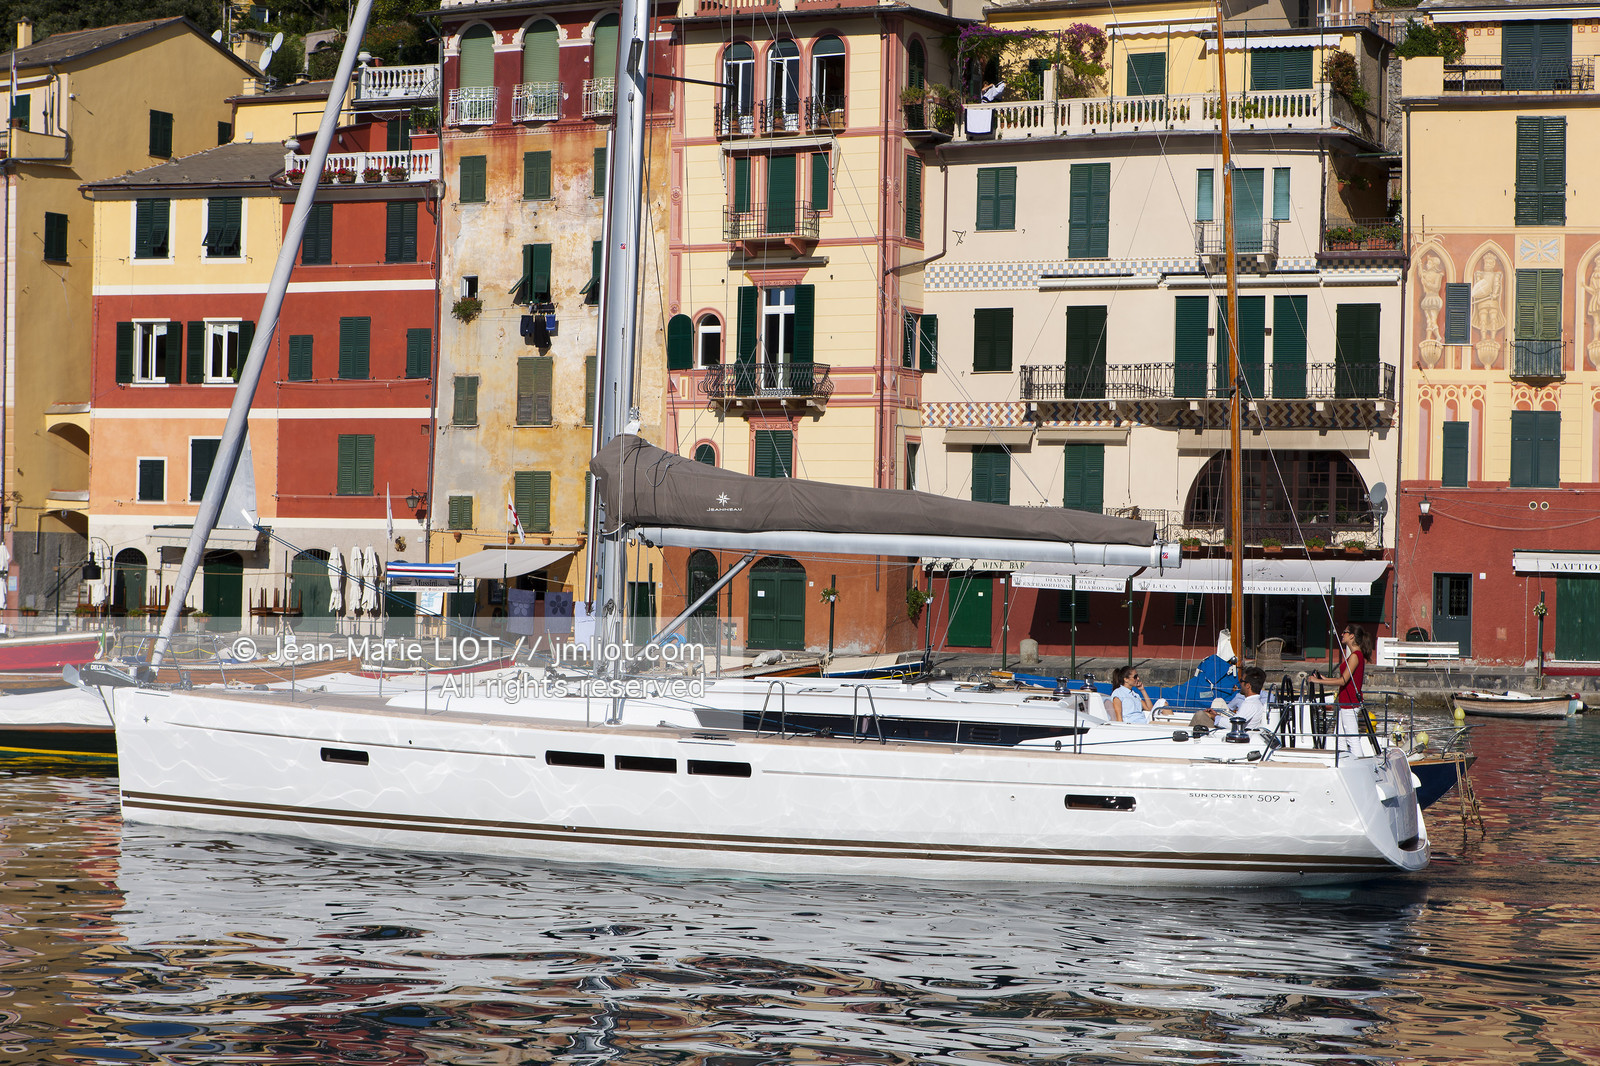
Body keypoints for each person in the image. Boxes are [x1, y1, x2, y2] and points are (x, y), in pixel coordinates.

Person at [1312, 624, 1371, 752]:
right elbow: (1345, 680)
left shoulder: (1355, 656)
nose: (1342, 634)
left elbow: (1343, 680)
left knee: (1351, 738)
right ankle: (1344, 761)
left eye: (1345, 632)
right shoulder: (1353, 655)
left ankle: (1359, 765)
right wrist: (1324, 679)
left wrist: (1318, 681)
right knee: (1340, 737)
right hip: (1344, 703)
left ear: (1352, 636)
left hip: (1350, 704)